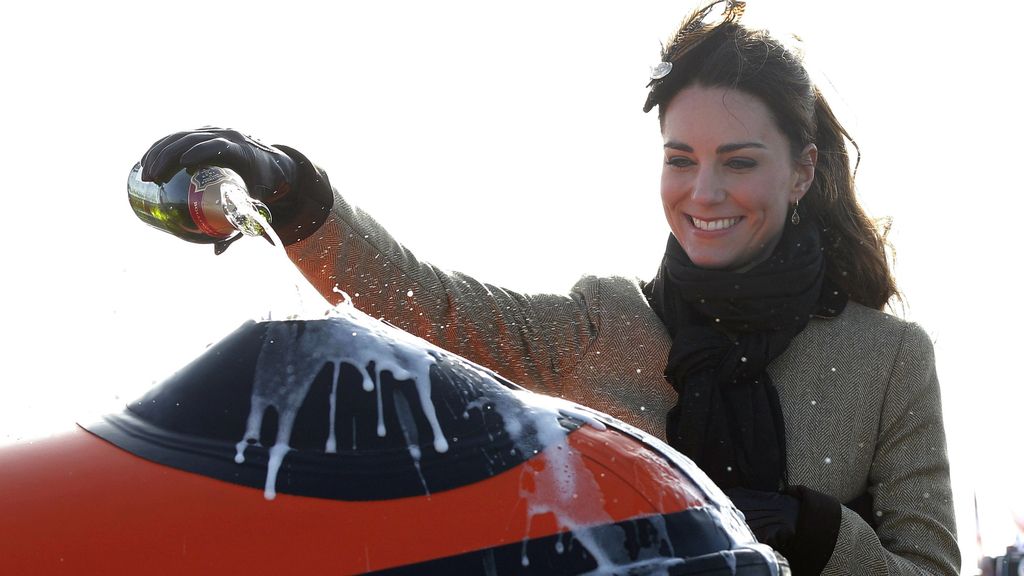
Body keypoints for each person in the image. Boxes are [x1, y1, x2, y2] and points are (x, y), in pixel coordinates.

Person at [138, 1, 959, 574]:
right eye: (680, 159)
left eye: (738, 161)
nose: (702, 193)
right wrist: (293, 191)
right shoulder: (606, 321)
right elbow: (429, 304)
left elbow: (927, 572)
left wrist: (818, 535)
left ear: (802, 171)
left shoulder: (887, 360)